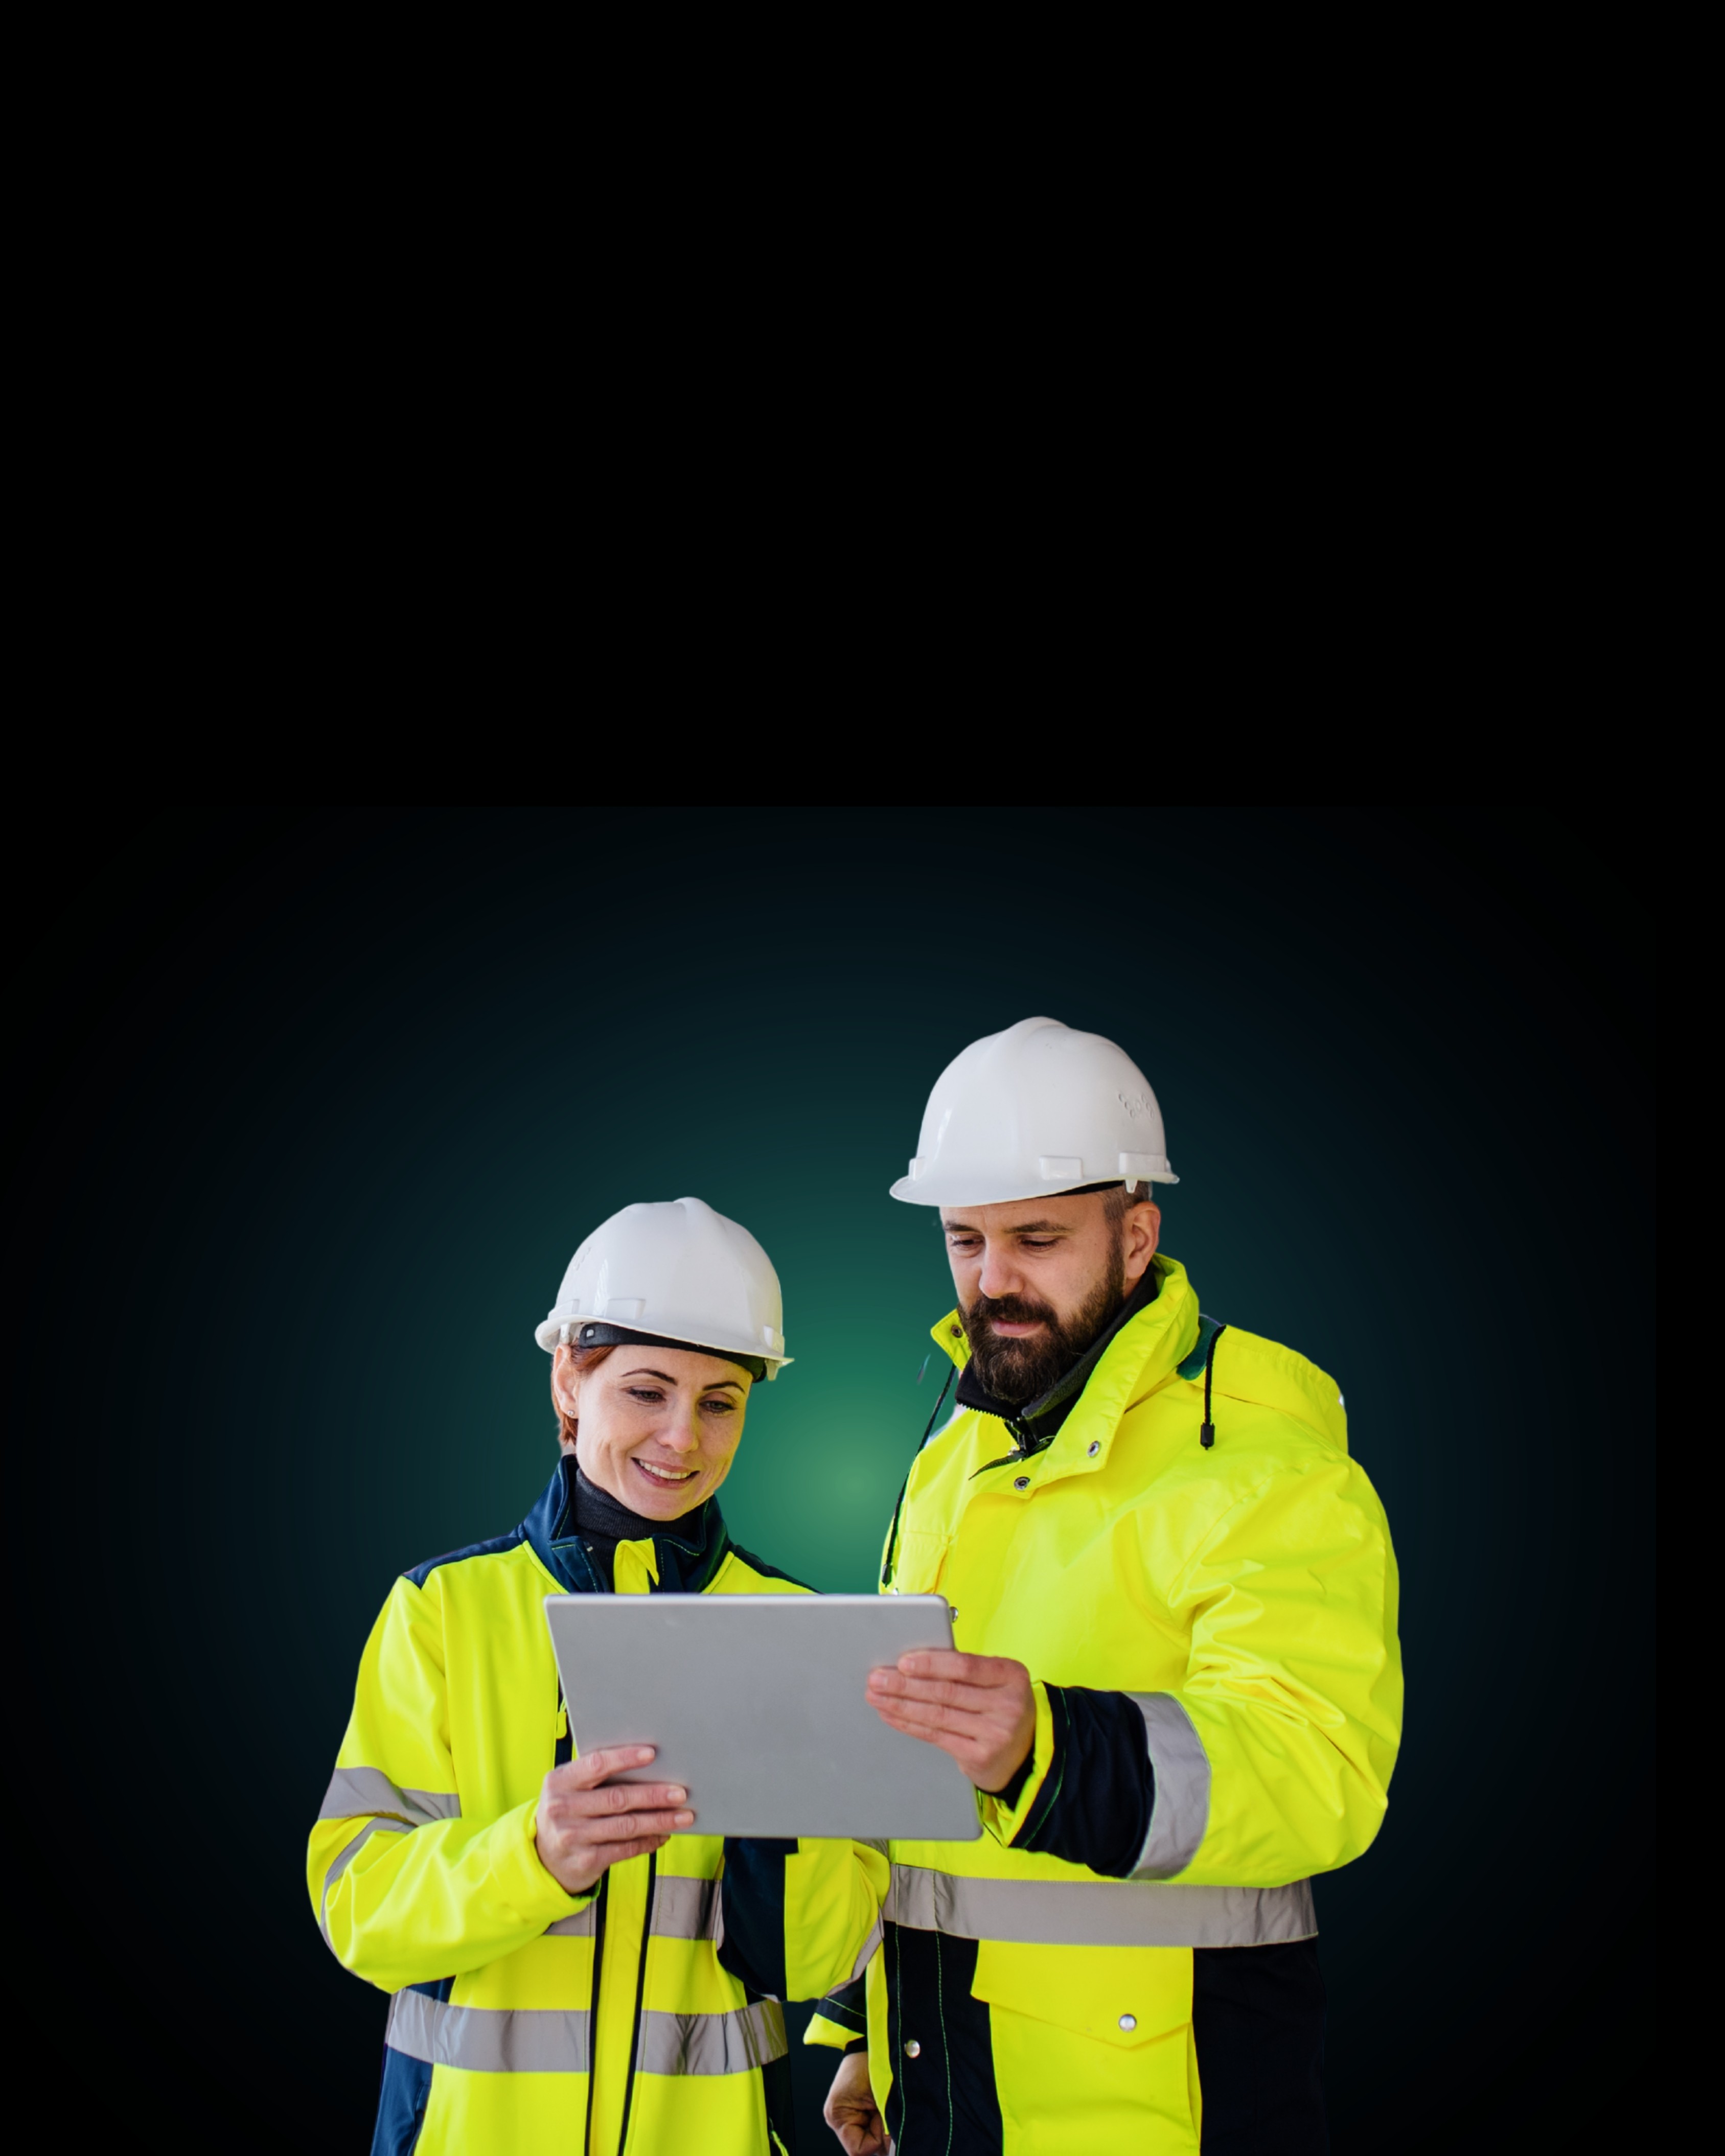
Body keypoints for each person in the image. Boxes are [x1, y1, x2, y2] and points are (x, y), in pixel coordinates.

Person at [813, 1018, 1403, 2155]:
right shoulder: (953, 1457)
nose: (991, 1281)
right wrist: (858, 2022)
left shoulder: (1265, 1464)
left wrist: (1048, 1747)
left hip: (1165, 2110)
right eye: (963, 1239)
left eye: (1034, 1237)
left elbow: (1317, 1772)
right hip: (939, 2083)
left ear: (1135, 1238)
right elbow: (909, 1772)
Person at [308, 1195, 885, 2156]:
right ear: (570, 1383)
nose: (683, 1441)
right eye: (647, 1392)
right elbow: (359, 1912)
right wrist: (530, 1857)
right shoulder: (444, 1611)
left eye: (720, 1403)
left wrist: (783, 1817)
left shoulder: (800, 1631)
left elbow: (821, 1957)